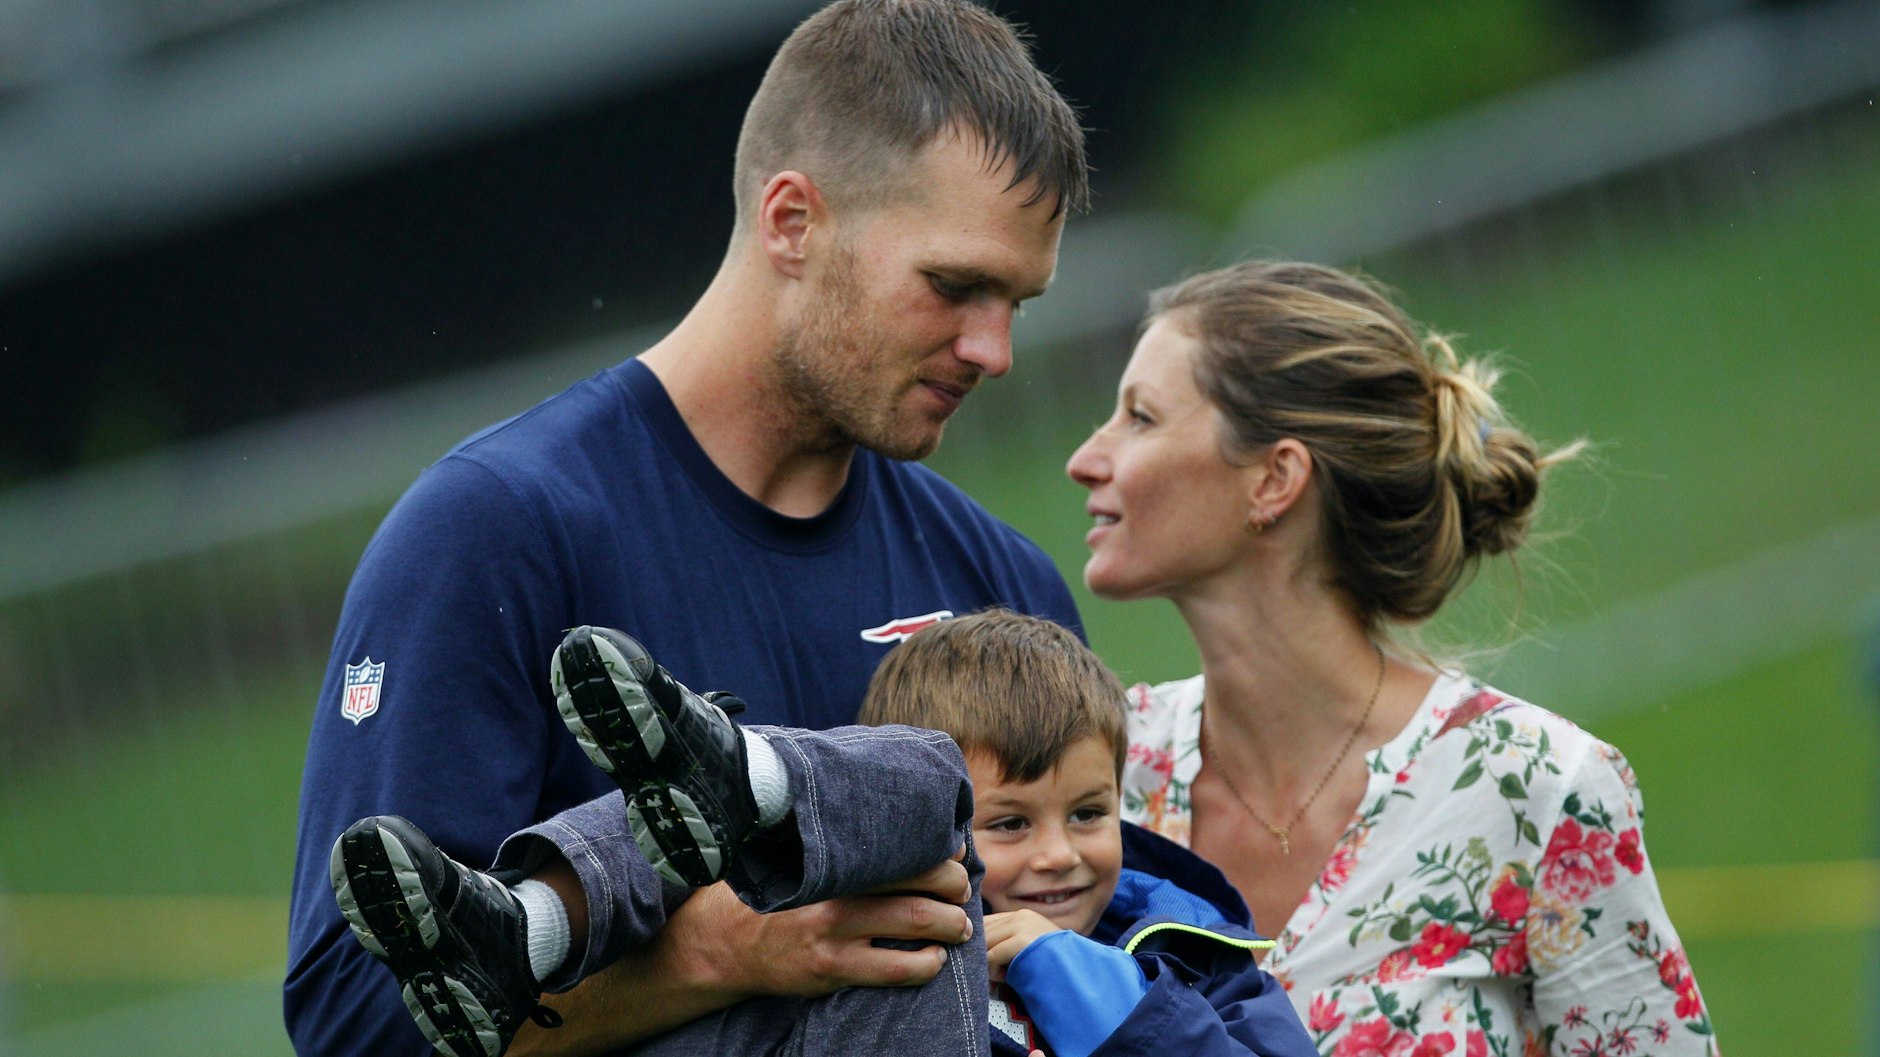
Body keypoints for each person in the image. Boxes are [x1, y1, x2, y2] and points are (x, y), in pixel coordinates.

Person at [284, 2, 1090, 1054]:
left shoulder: (1002, 582)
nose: (993, 349)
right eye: (954, 287)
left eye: (1016, 303)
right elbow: (354, 1018)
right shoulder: (496, 527)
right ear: (792, 220)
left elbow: (1096, 958)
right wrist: (714, 957)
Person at [1066, 261, 1719, 1057]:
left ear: (1274, 478)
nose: (1086, 458)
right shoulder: (1099, 773)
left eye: (1140, 417)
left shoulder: (1536, 790)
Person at [333, 611, 1318, 1057]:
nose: (1060, 854)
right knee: (762, 853)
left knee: (915, 781)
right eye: (1011, 823)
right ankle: (530, 927)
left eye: (1090, 814)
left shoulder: (1194, 959)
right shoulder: (838, 936)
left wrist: (1074, 973)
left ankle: (753, 779)